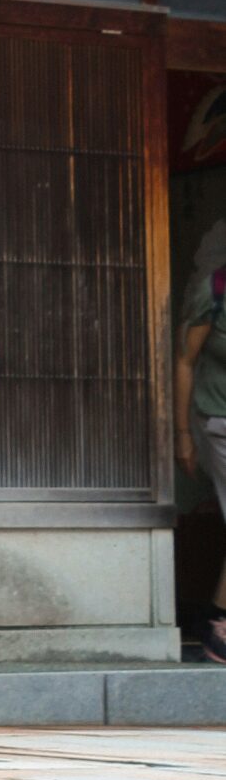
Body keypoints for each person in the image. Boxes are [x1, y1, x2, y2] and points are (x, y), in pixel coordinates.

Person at [175, 254, 226, 665]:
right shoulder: (216, 290)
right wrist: (182, 435)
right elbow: (185, 361)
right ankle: (218, 626)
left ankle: (216, 620)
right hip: (221, 421)